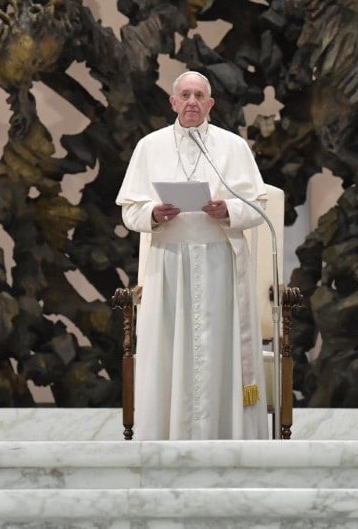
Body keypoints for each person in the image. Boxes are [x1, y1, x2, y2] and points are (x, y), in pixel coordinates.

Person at [116, 70, 269, 440]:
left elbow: (258, 204)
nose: (192, 102)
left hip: (220, 265)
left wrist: (228, 211)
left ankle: (225, 437)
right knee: (170, 352)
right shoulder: (149, 146)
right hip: (168, 266)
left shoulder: (232, 147)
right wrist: (153, 213)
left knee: (217, 353)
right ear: (172, 102)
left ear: (211, 104)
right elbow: (129, 210)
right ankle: (167, 439)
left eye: (199, 96)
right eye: (184, 95)